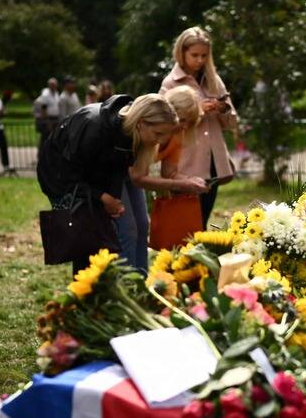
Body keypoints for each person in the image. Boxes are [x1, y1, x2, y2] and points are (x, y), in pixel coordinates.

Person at [37, 93, 179, 275]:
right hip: (60, 177)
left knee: (125, 228)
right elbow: (69, 175)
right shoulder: (94, 128)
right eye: (158, 134)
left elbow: (116, 170)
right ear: (140, 122)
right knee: (88, 237)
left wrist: (112, 198)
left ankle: (133, 283)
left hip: (93, 178)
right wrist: (103, 198)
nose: (160, 141)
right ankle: (95, 286)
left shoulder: (132, 134)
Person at [115, 86, 208, 271]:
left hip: (135, 175)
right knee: (128, 229)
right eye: (182, 120)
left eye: (189, 122)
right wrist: (181, 184)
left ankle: (141, 277)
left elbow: (169, 172)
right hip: (117, 173)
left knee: (143, 226)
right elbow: (138, 177)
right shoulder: (151, 131)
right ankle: (127, 279)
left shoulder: (177, 134)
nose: (184, 126)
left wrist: (191, 181)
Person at [160, 27, 238, 227]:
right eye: (194, 55)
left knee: (203, 219)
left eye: (204, 55)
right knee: (185, 223)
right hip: (185, 162)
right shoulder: (170, 83)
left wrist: (222, 109)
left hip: (213, 161)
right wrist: (197, 111)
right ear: (182, 52)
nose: (200, 60)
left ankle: (200, 247)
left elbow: (232, 123)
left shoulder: (214, 81)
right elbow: (164, 125)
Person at [33, 77, 60, 142]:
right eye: (52, 85)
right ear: (49, 85)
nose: (54, 86)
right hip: (48, 119)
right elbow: (43, 109)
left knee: (53, 138)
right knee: (46, 138)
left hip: (55, 118)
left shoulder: (56, 93)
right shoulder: (45, 94)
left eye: (55, 84)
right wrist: (47, 122)